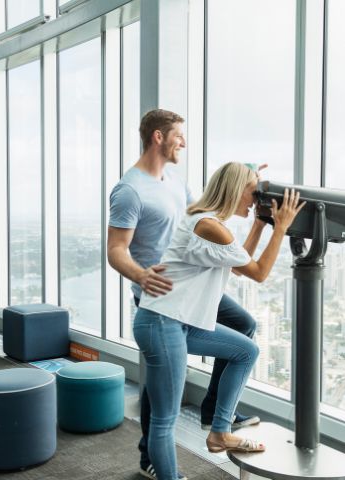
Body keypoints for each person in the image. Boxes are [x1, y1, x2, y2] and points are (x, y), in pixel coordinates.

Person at [107, 109, 265, 480]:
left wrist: (247, 175)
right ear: (158, 137)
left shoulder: (174, 181)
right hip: (159, 291)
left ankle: (215, 415)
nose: (185, 143)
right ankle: (151, 453)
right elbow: (116, 249)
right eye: (179, 136)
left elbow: (207, 210)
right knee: (162, 382)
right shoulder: (130, 189)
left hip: (190, 283)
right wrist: (140, 275)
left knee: (245, 326)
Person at [134, 162, 304, 480]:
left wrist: (261, 224)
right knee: (164, 419)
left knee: (245, 350)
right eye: (253, 193)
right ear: (235, 190)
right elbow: (259, 272)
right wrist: (280, 227)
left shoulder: (208, 222)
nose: (256, 201)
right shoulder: (208, 225)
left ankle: (220, 433)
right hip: (161, 322)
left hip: (180, 323)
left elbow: (241, 265)